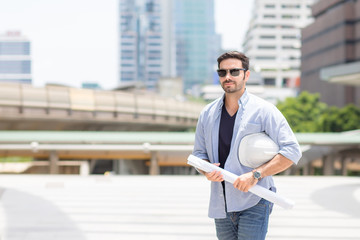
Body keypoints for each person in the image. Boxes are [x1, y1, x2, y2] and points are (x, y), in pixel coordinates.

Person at [192, 51, 302, 240]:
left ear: (246, 75)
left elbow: (292, 151)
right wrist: (206, 170)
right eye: (222, 72)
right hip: (221, 203)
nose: (228, 77)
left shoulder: (264, 110)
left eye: (234, 71)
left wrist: (255, 175)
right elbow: (199, 154)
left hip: (255, 200)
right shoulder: (207, 113)